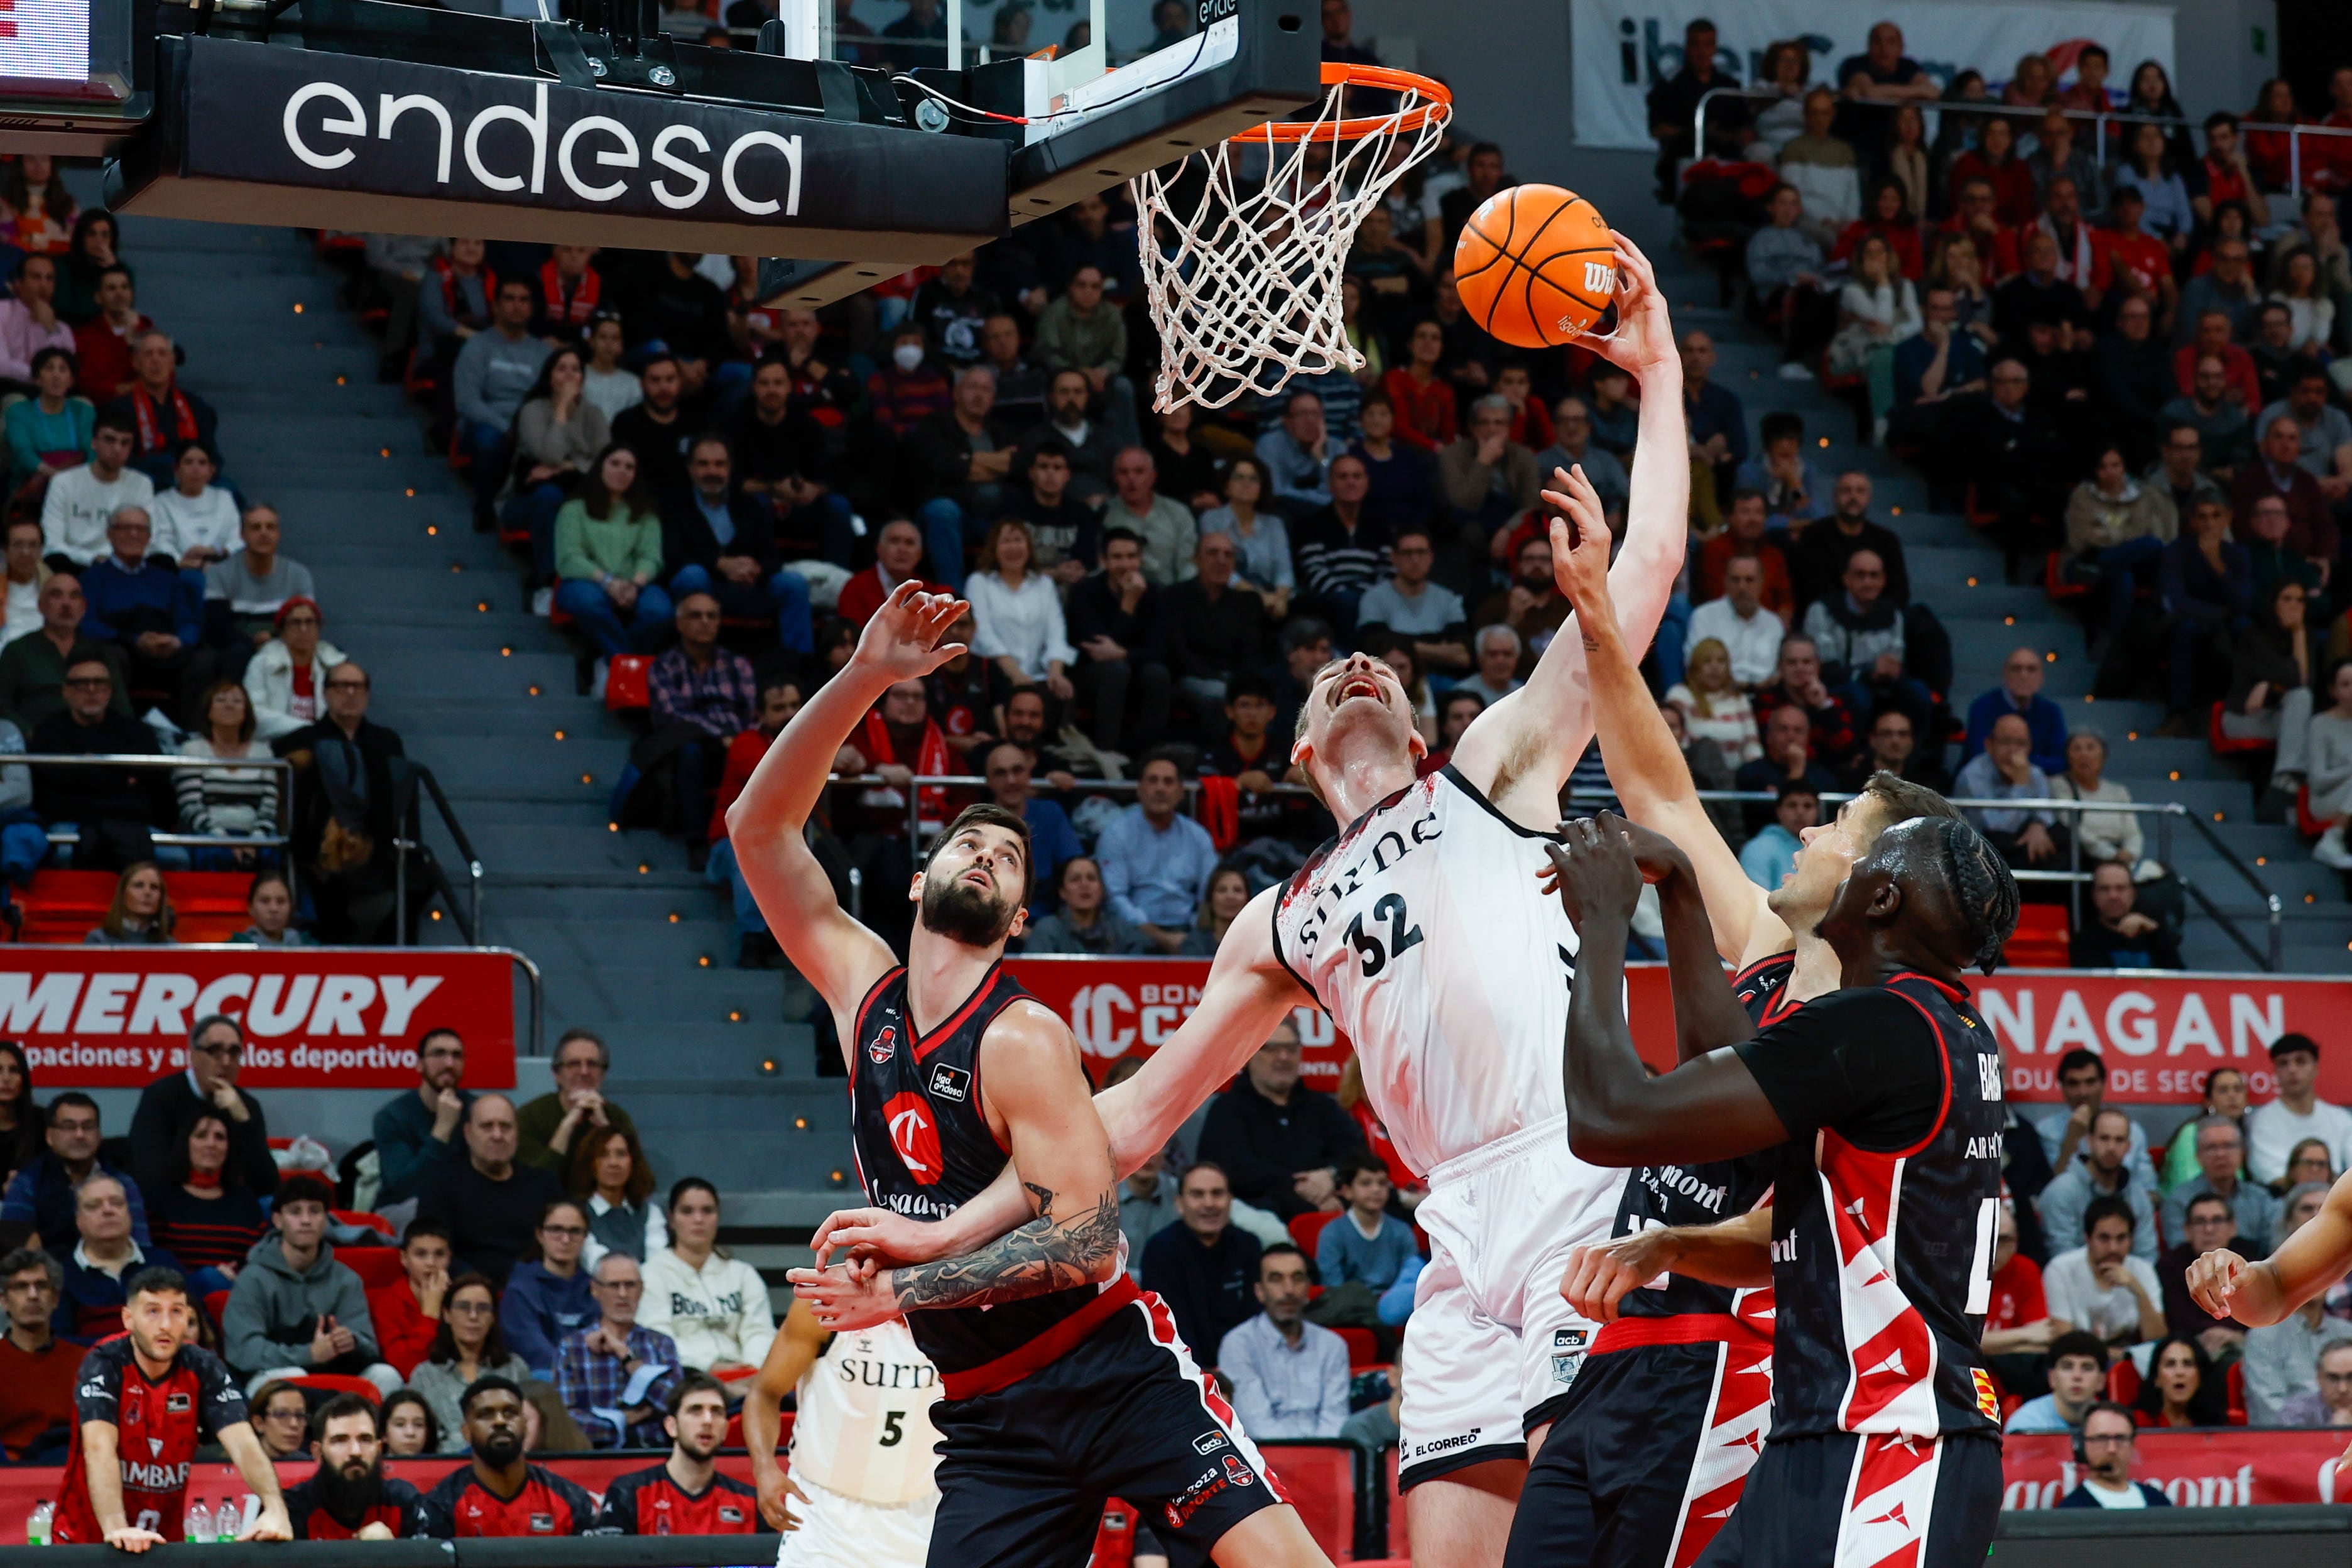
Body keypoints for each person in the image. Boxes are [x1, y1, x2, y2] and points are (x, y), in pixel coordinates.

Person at [800, 240, 1693, 1568]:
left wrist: (1662, 372)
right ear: (1296, 754)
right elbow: (1133, 1121)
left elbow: (1647, 572)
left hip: (1571, 1167)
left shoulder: (1497, 767)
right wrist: (957, 1223)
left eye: (1376, 664)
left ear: (1413, 709)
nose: (1355, 670)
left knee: (1582, 1540)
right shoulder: (1278, 920)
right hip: (1455, 1225)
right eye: (1332, 671)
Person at [725, 579, 1329, 1568]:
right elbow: (759, 828)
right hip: (988, 1418)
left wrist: (908, 1290)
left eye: (1009, 858)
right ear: (919, 880)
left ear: (1016, 922)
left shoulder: (1020, 1034)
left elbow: (1089, 1243)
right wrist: (867, 674)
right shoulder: (860, 996)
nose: (987, 855)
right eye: (967, 841)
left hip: (1108, 1372)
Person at [1539, 793, 2015, 1568]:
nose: (1816, 839)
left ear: (1881, 896)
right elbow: (1731, 1072)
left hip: (1895, 1443)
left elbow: (1608, 1119)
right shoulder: (1926, 1025)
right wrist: (1682, 889)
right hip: (1821, 1436)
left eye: (1858, 852)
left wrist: (1602, 924)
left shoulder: (1877, 1030)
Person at [741, 1300, 941, 1568]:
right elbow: (764, 1392)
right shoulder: (826, 1303)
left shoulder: (961, 1309)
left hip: (921, 1511)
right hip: (824, 1509)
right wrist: (764, 1468)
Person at [220, 1171, 398, 1396]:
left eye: (314, 1211)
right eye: (295, 1212)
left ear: (325, 1219)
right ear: (278, 1220)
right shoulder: (252, 1279)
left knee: (386, 1376)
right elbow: (245, 1352)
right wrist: (310, 1354)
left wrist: (351, 1340)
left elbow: (368, 1344)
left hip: (338, 1369)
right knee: (294, 1379)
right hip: (272, 1375)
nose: (306, 1220)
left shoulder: (347, 1279)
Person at [1195, 1026, 1366, 1222]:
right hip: (1260, 1220)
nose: (1284, 1057)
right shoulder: (1227, 1110)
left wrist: (1331, 1176)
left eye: (1291, 1048)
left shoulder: (1323, 1107)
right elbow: (1231, 1169)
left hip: (1331, 1209)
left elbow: (1356, 1153)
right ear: (1249, 1055)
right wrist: (1297, 1186)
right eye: (1272, 1049)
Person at [416, 1376, 598, 1536]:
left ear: (525, 1425)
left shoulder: (570, 1498)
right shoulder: (441, 1503)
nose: (500, 1421)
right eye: (486, 1414)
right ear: (467, 1432)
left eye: (510, 1413)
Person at [416, 1094, 565, 1289]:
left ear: (517, 1134)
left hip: (538, 1291)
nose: (497, 1135)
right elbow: (433, 1254)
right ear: (468, 1133)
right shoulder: (440, 1186)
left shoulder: (545, 1184)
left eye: (506, 1127)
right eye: (487, 1127)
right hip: (468, 1296)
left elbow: (565, 1242)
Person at [129, 1013, 276, 1206]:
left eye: (234, 1053)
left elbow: (267, 1185)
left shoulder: (246, 1106)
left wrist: (243, 1121)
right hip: (172, 1206)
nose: (226, 1062)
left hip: (230, 1206)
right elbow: (147, 1173)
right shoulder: (161, 1096)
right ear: (193, 1054)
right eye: (215, 1051)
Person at [639, 1178, 775, 1376]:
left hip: (745, 1376)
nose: (698, 1219)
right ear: (672, 1219)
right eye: (687, 1211)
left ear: (717, 1218)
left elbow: (759, 1332)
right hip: (684, 1375)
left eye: (707, 1211)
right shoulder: (652, 1274)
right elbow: (658, 1338)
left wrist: (749, 1368)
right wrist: (708, 1365)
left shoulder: (743, 1274)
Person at [593, 1372, 760, 1533]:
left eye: (716, 1412)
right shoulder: (628, 1493)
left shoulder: (751, 1501)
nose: (708, 1421)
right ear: (671, 1426)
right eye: (695, 1410)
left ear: (725, 1430)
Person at [1219, 1244, 1349, 1440]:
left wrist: (1319, 1460)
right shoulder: (1238, 1345)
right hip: (1266, 1460)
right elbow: (1257, 1426)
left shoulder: (1332, 1346)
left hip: (1326, 1458)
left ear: (1307, 1288)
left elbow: (1336, 1421)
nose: (1289, 1290)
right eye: (1276, 1279)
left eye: (1297, 1279)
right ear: (1260, 1291)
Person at [1138, 1162, 1263, 1366]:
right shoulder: (1161, 1251)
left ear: (1231, 1200)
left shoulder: (1248, 1245)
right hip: (1187, 1372)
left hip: (1246, 1367)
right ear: (1179, 1204)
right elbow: (1171, 1327)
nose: (1209, 1203)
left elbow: (1255, 1318)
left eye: (1217, 1193)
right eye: (1198, 1194)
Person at [557, 1251, 684, 1449]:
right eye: (614, 1286)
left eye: (630, 1285)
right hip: (594, 1456)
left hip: (654, 1453)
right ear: (595, 1290)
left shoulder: (661, 1344)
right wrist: (622, 1421)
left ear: (642, 1290)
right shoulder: (572, 1348)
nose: (623, 1294)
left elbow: (678, 1407)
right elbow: (566, 1420)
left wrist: (626, 1357)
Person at [1095, 751, 1217, 954]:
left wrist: (1194, 928)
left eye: (1168, 782)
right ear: (1140, 789)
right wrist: (1157, 935)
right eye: (1153, 781)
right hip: (1133, 928)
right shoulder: (1116, 833)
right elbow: (1114, 896)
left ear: (1180, 792)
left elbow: (1210, 893)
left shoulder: (1198, 836)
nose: (1160, 788)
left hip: (1188, 928)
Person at [145, 1110, 266, 1300]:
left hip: (239, 1294)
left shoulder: (246, 1200)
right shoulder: (162, 1196)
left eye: (220, 1138)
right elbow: (154, 1261)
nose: (211, 1144)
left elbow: (260, 1259)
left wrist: (239, 1278)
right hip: (179, 1296)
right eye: (201, 1136)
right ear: (186, 1143)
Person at [408, 1273, 531, 1451]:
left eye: (483, 1308)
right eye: (463, 1307)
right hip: (442, 1467)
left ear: (492, 1318)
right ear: (447, 1314)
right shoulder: (425, 1375)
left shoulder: (515, 1369)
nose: (473, 1316)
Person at [283, 1393, 429, 1540]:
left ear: (379, 1450)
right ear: (318, 1453)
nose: (355, 1452)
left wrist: (392, 1551)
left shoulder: (402, 1501)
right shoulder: (295, 1507)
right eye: (340, 1441)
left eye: (365, 1440)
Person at [517, 1027, 646, 1179]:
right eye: (574, 1064)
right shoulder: (529, 1117)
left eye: (592, 1064)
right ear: (557, 1074)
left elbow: (638, 1180)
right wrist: (566, 1127)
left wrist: (604, 1128)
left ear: (603, 1075)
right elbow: (535, 1182)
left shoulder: (618, 1117)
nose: (584, 1072)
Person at [370, 1027, 471, 1211]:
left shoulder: (477, 1111)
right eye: (439, 1054)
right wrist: (442, 1129)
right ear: (419, 1064)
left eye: (457, 1056)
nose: (449, 1063)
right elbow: (404, 1190)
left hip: (461, 1208)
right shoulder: (392, 1117)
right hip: (402, 1211)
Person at [2044, 1197, 2165, 1348]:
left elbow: (2157, 1340)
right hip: (2080, 1358)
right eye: (2104, 1238)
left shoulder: (2143, 1270)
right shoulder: (2060, 1270)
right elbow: (2063, 1343)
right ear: (2087, 1238)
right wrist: (2117, 1355)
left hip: (2128, 1352)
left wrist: (2138, 1290)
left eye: (2121, 1238)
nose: (2113, 1248)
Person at [0, 1247, 82, 1463]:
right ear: (4, 1301)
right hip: (9, 1477)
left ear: (55, 1299)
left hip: (69, 1467)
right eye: (21, 1287)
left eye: (42, 1286)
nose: (33, 1295)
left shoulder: (86, 1362)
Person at [497, 1199, 594, 1378]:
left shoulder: (596, 1288)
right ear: (540, 1235)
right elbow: (533, 1351)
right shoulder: (520, 1289)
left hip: (593, 1379)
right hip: (540, 1383)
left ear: (585, 1237)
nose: (566, 1239)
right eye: (556, 1230)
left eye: (575, 1231)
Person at [2246, 1035, 2352, 1183]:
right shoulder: (2262, 1121)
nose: (2292, 1070)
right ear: (2275, 1071)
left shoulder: (2341, 1119)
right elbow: (2273, 1178)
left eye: (2300, 1061)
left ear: (2316, 1067)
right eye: (2283, 1063)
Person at [574, 1125, 667, 1271]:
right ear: (590, 1163)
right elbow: (598, 1265)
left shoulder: (650, 1212)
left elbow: (659, 1264)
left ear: (633, 1162)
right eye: (603, 1155)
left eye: (621, 1154)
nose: (613, 1163)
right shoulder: (576, 1214)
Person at [367, 1221, 450, 1380]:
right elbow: (406, 1369)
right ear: (404, 1258)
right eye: (421, 1254)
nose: (431, 1263)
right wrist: (430, 1313)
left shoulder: (462, 1297)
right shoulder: (386, 1303)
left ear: (449, 1258)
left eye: (439, 1254)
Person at [1018, 855, 1150, 956]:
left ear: (1102, 889)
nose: (1084, 885)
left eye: (1092, 878)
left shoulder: (1122, 929)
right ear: (1063, 892)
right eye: (1075, 879)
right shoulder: (1047, 930)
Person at [2069, 863, 2183, 970]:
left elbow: (2181, 981)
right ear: (2094, 895)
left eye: (2121, 888)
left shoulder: (2154, 934)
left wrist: (2156, 933)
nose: (2113, 896)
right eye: (2104, 889)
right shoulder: (2084, 942)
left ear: (2133, 893)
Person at [2057, 1403, 2172, 1508]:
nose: (2112, 1449)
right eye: (2102, 1439)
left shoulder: (2158, 1501)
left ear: (2132, 1445)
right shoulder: (2072, 1509)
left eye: (2120, 1439)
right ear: (2083, 1445)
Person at [2005, 1332, 2110, 1436]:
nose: (2077, 1376)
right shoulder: (2025, 1426)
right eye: (2067, 1367)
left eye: (2087, 1368)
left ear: (2101, 1381)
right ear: (2052, 1378)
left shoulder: (2114, 1425)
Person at [1738, 780, 1816, 891]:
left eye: (1808, 806)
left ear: (1817, 811)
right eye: (1792, 805)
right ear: (1779, 811)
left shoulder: (1825, 848)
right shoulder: (1758, 848)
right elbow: (1755, 900)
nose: (1800, 812)